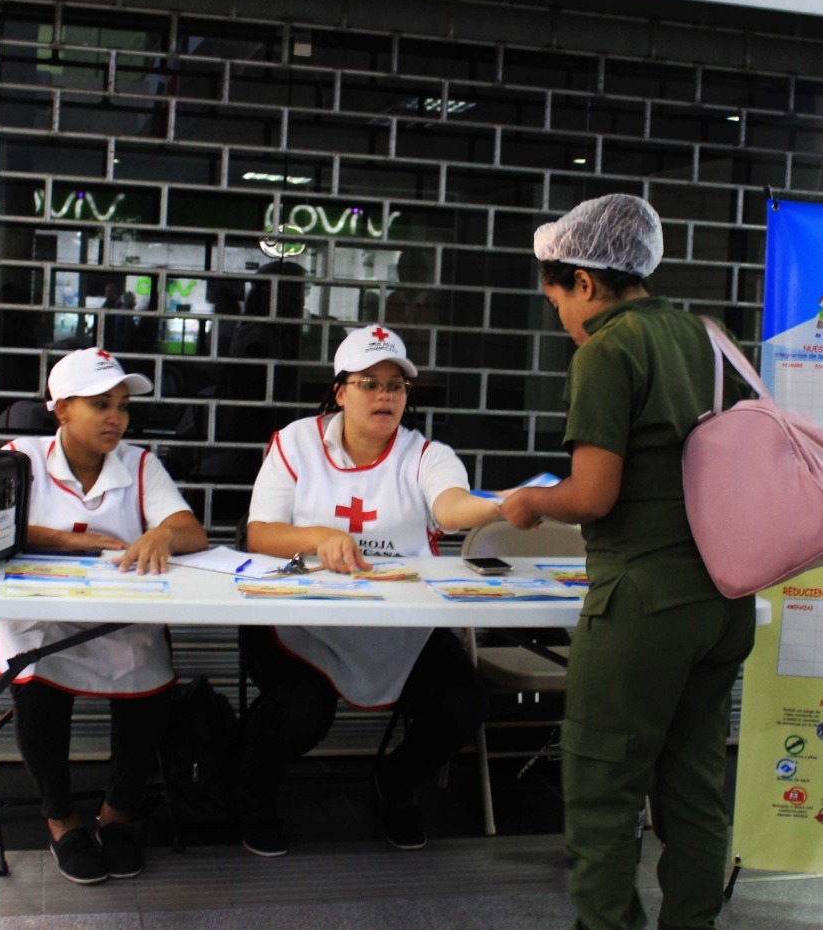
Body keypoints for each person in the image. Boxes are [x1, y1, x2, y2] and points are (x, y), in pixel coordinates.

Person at [502, 194, 757, 930]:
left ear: (584, 281)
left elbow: (594, 493)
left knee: (602, 786)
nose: (560, 317)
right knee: (694, 785)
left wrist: (532, 502)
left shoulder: (608, 350)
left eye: (556, 298)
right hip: (720, 599)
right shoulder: (708, 339)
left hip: (642, 605)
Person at [239, 324, 503, 857]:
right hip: (303, 624)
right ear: (340, 391)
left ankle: (396, 783)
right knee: (300, 711)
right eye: (368, 383)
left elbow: (450, 507)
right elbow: (259, 534)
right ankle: (252, 798)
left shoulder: (427, 454)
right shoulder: (295, 443)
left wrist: (504, 504)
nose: (384, 395)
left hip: (401, 627)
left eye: (396, 385)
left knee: (463, 703)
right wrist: (319, 538)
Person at [0, 346, 208, 885]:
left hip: (120, 618)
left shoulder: (139, 464)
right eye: (100, 404)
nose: (116, 417)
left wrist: (161, 532)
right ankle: (62, 817)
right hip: (40, 618)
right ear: (61, 409)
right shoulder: (20, 456)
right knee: (36, 676)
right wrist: (61, 540)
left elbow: (193, 533)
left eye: (121, 405)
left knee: (149, 678)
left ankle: (117, 813)